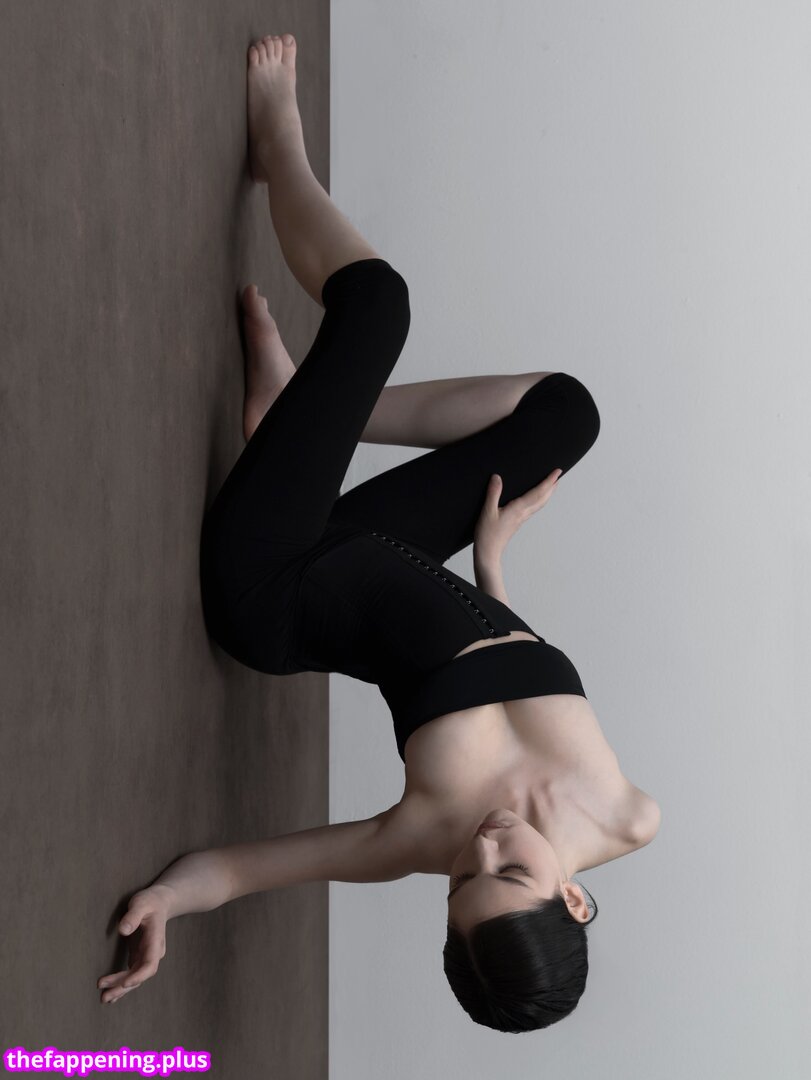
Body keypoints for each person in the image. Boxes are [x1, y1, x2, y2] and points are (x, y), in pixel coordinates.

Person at [97, 33, 661, 1031]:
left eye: (461, 884)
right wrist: (491, 565)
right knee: (564, 416)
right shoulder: (625, 810)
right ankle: (305, 415)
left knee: (376, 307)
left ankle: (279, 145)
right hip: (379, 550)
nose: (482, 846)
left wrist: (167, 901)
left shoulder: (422, 836)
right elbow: (508, 675)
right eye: (511, 870)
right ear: (574, 897)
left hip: (274, 584)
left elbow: (239, 869)